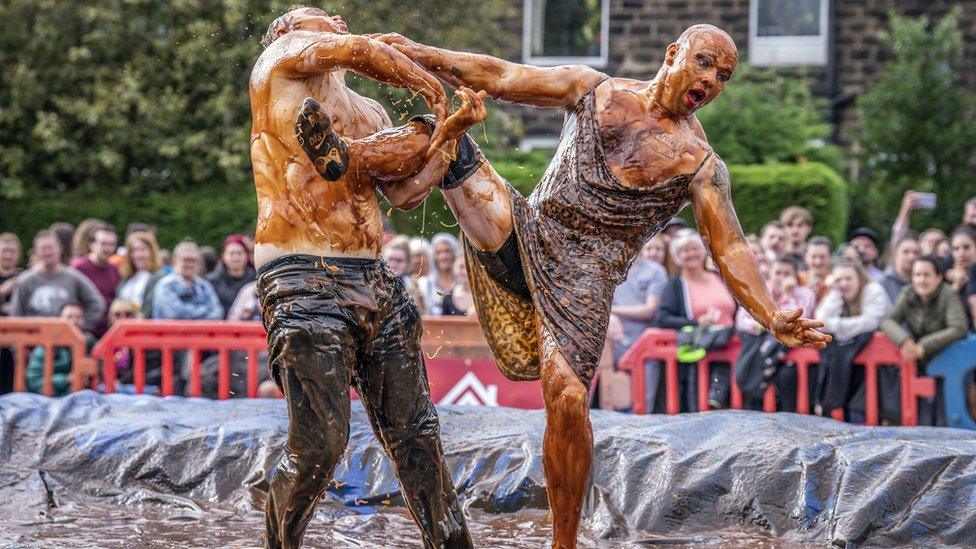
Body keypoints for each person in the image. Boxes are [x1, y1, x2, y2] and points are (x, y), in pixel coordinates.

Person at [372, 25, 829, 546]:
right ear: (672, 54)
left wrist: (770, 314)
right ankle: (359, 164)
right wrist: (420, 52)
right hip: (526, 232)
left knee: (566, 399)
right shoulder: (595, 89)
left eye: (723, 75)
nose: (712, 80)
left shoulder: (701, 165)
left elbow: (729, 247)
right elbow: (501, 76)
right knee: (443, 132)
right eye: (704, 63)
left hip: (583, 284)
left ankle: (562, 541)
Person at [251, 7, 480, 547]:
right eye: (315, 14)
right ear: (287, 31)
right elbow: (359, 51)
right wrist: (433, 88)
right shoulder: (280, 62)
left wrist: (445, 136)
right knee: (320, 446)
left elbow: (403, 195)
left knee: (418, 436)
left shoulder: (370, 109)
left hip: (372, 274)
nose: (332, 16)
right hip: (300, 272)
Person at [881, 255, 968, 426]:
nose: (921, 280)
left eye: (926, 275)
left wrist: (924, 345)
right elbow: (887, 321)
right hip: (917, 359)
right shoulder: (908, 292)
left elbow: (958, 327)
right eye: (917, 275)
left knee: (944, 414)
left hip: (946, 360)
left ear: (938, 277)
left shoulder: (947, 294)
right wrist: (904, 341)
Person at [657, 230, 738, 411]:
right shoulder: (676, 284)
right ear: (677, 257)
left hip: (731, 347)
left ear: (703, 252)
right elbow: (663, 318)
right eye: (685, 251)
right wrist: (695, 322)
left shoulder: (720, 277)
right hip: (700, 352)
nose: (691, 253)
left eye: (694, 248)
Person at [735, 255, 816, 411]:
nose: (782, 278)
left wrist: (788, 297)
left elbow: (797, 322)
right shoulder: (759, 290)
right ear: (771, 274)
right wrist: (766, 326)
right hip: (760, 351)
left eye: (787, 274)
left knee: (787, 378)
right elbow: (741, 319)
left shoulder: (806, 294)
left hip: (789, 358)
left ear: (795, 276)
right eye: (778, 273)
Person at [814, 259, 891, 420]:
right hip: (853, 359)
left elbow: (870, 322)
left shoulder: (873, 290)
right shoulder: (838, 293)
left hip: (885, 365)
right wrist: (834, 292)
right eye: (839, 280)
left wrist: (834, 325)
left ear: (859, 278)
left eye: (848, 279)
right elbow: (820, 320)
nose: (843, 283)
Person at [607, 246, 668, 412]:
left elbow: (649, 310)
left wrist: (611, 311)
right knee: (615, 403)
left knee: (642, 403)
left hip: (644, 347)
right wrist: (609, 317)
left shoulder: (656, 271)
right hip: (613, 345)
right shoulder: (609, 267)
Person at [10, 230, 105, 331]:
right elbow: (15, 313)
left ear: (60, 248)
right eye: (43, 248)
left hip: (66, 339)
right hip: (35, 340)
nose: (47, 252)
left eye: (50, 248)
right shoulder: (26, 280)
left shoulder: (73, 277)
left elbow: (97, 304)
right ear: (36, 252)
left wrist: (81, 325)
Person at [26, 301, 96, 397]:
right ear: (59, 320)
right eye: (69, 317)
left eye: (78, 317)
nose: (74, 321)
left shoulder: (91, 344)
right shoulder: (45, 347)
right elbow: (34, 381)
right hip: (52, 399)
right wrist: (67, 379)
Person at [151, 241, 224, 321]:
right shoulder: (165, 285)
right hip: (172, 333)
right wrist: (206, 310)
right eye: (186, 260)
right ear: (175, 262)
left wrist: (190, 313)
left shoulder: (205, 285)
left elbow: (218, 313)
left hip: (201, 333)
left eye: (194, 260)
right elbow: (176, 314)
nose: (190, 264)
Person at [71, 224, 121, 336]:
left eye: (111, 244)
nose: (107, 248)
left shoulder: (115, 270)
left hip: (108, 333)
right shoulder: (79, 268)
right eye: (103, 244)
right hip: (85, 332)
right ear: (92, 244)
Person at [206, 235, 257, 318]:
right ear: (223, 256)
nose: (236, 258)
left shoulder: (256, 279)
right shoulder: (211, 281)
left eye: (239, 253)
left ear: (246, 255)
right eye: (231, 253)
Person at [117, 231, 164, 310]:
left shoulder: (158, 277)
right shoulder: (126, 277)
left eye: (143, 249)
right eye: (134, 250)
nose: (138, 255)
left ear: (152, 251)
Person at [418, 232, 460, 315]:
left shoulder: (462, 284)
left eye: (447, 251)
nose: (443, 256)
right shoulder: (425, 284)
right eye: (439, 252)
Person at [383, 235, 425, 309]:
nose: (394, 264)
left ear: (407, 264)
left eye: (399, 260)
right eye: (390, 259)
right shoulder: (375, 284)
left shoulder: (413, 287)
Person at [947, 226, 976, 329]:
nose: (961, 253)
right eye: (956, 249)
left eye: (966, 247)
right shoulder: (945, 279)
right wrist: (956, 286)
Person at [881, 235, 919, 302]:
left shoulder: (921, 282)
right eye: (906, 252)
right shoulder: (882, 283)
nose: (912, 257)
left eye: (915, 253)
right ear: (894, 253)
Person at [0, 233, 23, 316]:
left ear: (18, 254)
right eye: (4, 251)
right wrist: (2, 291)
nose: (8, 256)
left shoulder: (25, 278)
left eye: (12, 251)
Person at [804, 236, 832, 301]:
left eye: (822, 257)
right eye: (813, 257)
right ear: (806, 258)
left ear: (830, 257)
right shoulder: (798, 280)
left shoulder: (837, 282)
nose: (818, 262)